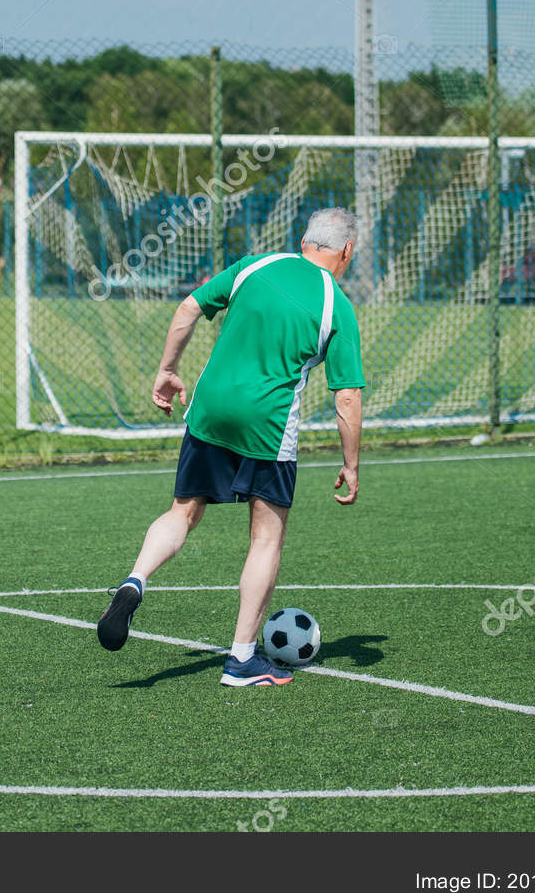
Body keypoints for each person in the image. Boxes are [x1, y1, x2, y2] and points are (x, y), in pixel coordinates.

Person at [96, 207, 364, 687]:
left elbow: (188, 308)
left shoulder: (254, 265)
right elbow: (346, 394)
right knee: (266, 537)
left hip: (210, 408)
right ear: (346, 251)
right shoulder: (336, 305)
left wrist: (167, 369)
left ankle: (135, 581)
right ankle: (242, 659)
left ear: (304, 241)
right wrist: (351, 464)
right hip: (267, 424)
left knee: (183, 511)